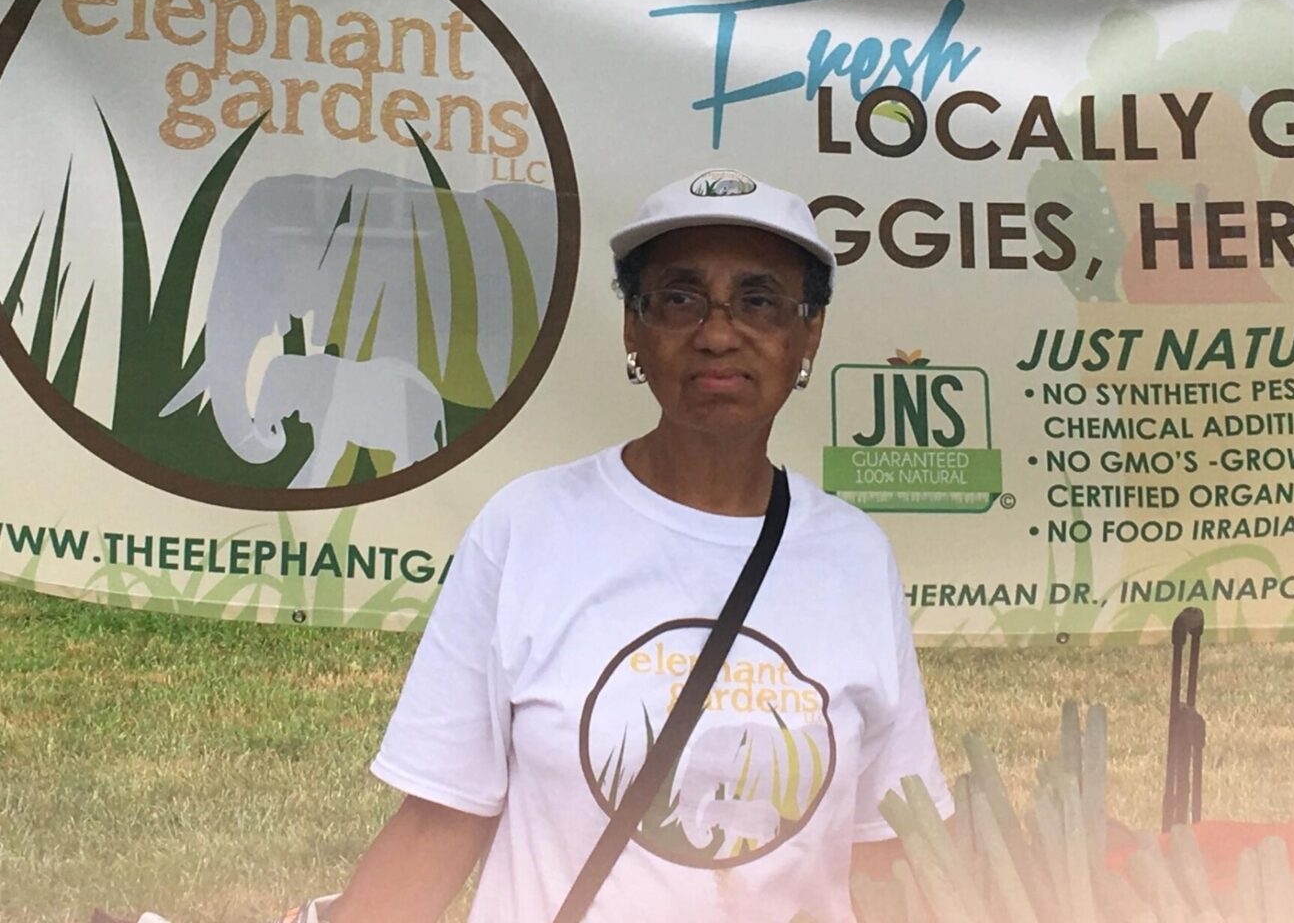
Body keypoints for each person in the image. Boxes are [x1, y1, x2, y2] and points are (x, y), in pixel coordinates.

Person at [329, 169, 952, 923]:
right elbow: (441, 821)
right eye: (680, 298)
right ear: (633, 327)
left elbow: (881, 847)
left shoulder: (854, 556)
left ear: (808, 331)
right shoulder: (528, 528)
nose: (718, 332)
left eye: (759, 300)